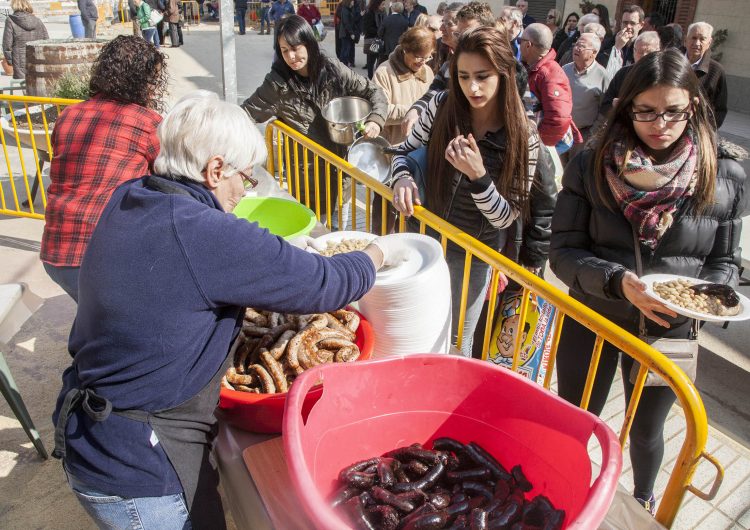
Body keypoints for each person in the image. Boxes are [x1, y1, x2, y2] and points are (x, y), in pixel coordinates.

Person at [51, 90, 406, 530]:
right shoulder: (203, 232)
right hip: (138, 464)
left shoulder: (131, 195)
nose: (245, 189)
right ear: (215, 169)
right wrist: (377, 252)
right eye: (246, 176)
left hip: (90, 434)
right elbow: (325, 282)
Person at [550, 49, 747, 516]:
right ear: (626, 106)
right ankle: (564, 489)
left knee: (647, 430)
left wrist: (700, 302)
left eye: (674, 111)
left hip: (670, 330)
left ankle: (642, 501)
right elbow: (563, 253)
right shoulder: (590, 162)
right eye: (646, 111)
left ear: (694, 107)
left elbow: (725, 264)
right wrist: (618, 282)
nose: (661, 124)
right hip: (594, 318)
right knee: (576, 418)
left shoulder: (726, 173)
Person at [390, 27, 556, 356]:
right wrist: (403, 178)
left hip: (472, 255)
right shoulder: (441, 105)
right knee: (408, 326)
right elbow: (401, 153)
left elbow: (505, 217)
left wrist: (479, 177)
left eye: (482, 76)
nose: (472, 87)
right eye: (463, 76)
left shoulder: (525, 136)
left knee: (454, 343)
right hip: (422, 236)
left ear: (505, 74)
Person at [40, 36, 167, 302]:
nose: (154, 90)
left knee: (94, 318)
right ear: (139, 80)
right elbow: (170, 176)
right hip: (104, 258)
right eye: (153, 81)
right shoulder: (146, 122)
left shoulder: (68, 116)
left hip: (55, 256)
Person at [242, 15, 387, 224]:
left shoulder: (333, 70)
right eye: (284, 50)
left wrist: (375, 119)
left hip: (342, 172)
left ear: (309, 43)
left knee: (339, 233)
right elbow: (245, 114)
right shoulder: (277, 85)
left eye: (296, 47)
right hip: (307, 182)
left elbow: (373, 91)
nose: (291, 56)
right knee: (314, 235)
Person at [399, 1, 464, 134]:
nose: (441, 29)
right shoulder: (447, 59)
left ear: (463, 26)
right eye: (442, 23)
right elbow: (434, 93)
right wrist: (415, 110)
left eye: (448, 24)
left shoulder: (480, 60)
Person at [520, 23, 580, 154]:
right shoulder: (532, 68)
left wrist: (537, 145)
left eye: (520, 41)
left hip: (544, 147)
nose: (519, 45)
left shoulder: (550, 73)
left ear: (528, 45)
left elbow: (558, 118)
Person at [562, 33, 610, 159]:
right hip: (562, 130)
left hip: (583, 135)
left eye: (582, 46)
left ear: (593, 53)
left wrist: (592, 133)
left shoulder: (602, 76)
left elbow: (605, 109)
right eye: (576, 44)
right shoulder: (565, 69)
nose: (576, 48)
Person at [600, 30, 660, 118]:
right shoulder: (623, 74)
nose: (644, 56)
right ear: (634, 51)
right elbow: (605, 106)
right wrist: (616, 106)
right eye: (640, 52)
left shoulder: (663, 75)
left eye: (649, 52)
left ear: (658, 52)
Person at [685, 21, 727, 128]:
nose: (697, 43)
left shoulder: (717, 71)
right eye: (693, 38)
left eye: (702, 39)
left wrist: (707, 130)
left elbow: (720, 109)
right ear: (686, 39)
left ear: (709, 43)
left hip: (698, 129)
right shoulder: (671, 62)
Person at [2, 0, 48, 80]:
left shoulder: (10, 20)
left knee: (22, 86)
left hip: (19, 62)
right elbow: (46, 41)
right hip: (37, 60)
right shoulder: (38, 20)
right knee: (35, 85)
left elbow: (7, 44)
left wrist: (10, 62)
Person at [606, 4, 644, 77]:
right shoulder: (609, 42)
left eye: (632, 23)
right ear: (621, 23)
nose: (628, 26)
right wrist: (617, 47)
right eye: (625, 22)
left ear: (641, 25)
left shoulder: (642, 46)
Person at [363, 0, 386, 78]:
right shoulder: (369, 13)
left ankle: (377, 78)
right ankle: (370, 78)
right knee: (371, 62)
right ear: (377, 4)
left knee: (380, 61)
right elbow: (367, 28)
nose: (384, 6)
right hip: (372, 40)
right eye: (382, 4)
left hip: (381, 40)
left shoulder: (383, 13)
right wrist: (379, 31)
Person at [338, 0, 358, 67]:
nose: (353, 2)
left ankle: (343, 66)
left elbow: (352, 21)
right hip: (345, 33)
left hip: (347, 33)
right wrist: (351, 33)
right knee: (345, 51)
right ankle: (343, 66)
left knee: (346, 50)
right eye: (352, 1)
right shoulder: (345, 10)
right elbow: (346, 23)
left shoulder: (350, 9)